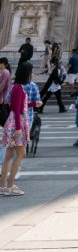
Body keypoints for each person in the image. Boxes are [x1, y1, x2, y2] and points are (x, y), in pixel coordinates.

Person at [0, 61, 31, 195]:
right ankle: (10, 185)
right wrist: (19, 128)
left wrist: (34, 103)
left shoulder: (16, 86)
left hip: (12, 122)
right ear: (27, 73)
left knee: (8, 155)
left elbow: (18, 106)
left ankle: (3, 186)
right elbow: (17, 109)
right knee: (21, 154)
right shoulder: (19, 88)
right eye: (31, 71)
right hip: (16, 123)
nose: (32, 73)